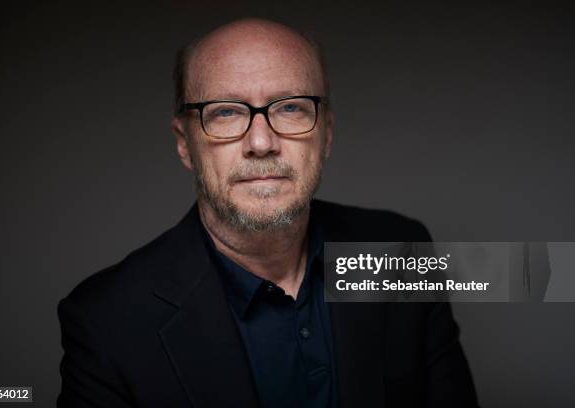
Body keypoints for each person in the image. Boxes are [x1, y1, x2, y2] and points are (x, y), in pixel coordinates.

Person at [57, 18, 478, 407]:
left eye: (290, 107)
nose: (262, 142)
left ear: (326, 134)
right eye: (224, 111)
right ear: (185, 143)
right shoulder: (105, 320)